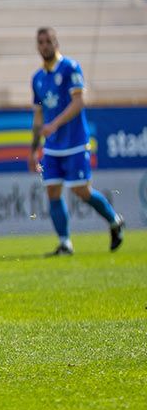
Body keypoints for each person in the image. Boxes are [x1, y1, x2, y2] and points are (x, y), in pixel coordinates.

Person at [28, 27, 125, 256]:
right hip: (52, 146)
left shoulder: (71, 68)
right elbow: (38, 115)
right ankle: (65, 243)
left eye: (48, 41)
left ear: (56, 43)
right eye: (40, 42)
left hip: (74, 142)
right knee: (52, 191)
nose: (44, 46)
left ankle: (114, 220)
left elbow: (79, 102)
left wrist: (55, 125)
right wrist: (33, 149)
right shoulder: (37, 78)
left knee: (82, 191)